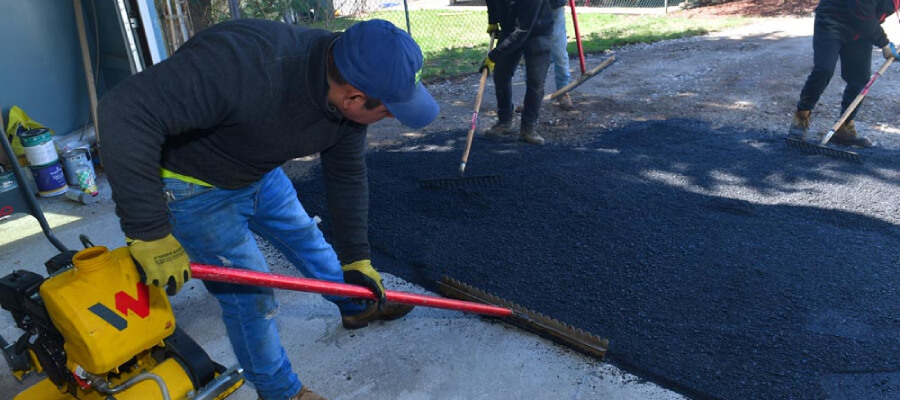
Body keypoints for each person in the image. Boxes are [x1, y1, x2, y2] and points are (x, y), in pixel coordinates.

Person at [97, 19, 438, 400]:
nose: (391, 118)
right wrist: (148, 230)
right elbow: (123, 110)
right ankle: (279, 392)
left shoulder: (348, 96)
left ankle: (356, 303)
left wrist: (357, 257)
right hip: (193, 186)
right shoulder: (244, 66)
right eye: (389, 111)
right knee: (251, 295)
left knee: (308, 239)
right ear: (353, 98)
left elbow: (346, 175)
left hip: (259, 169)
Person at [789, 0, 899, 147]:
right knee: (824, 69)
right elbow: (862, 16)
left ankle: (843, 127)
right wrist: (884, 44)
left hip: (860, 32)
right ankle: (802, 116)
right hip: (832, 20)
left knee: (860, 79)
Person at [483, 0, 555, 145]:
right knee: (501, 75)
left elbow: (522, 31)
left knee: (536, 82)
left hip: (537, 32)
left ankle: (528, 127)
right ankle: (505, 122)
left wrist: (494, 56)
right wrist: (493, 20)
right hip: (510, 29)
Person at [549, 0, 574, 111]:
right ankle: (531, 97)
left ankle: (563, 92)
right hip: (530, 6)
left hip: (555, 5)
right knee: (531, 53)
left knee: (559, 53)